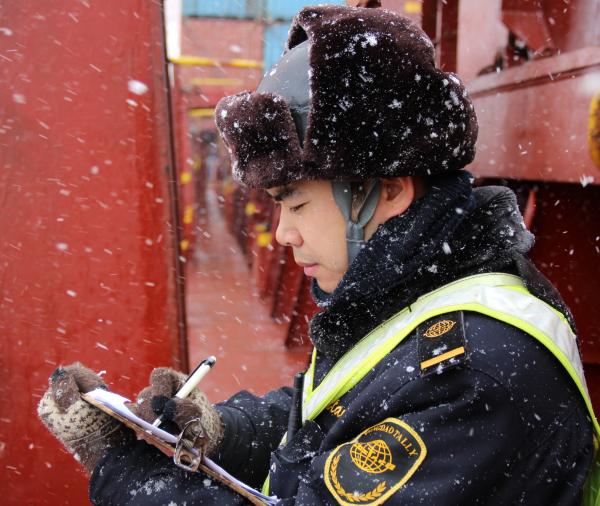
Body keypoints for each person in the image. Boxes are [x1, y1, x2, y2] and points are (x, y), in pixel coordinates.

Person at [38, 5, 599, 505]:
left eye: (297, 204)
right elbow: (332, 414)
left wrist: (120, 471)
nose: (282, 234)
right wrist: (223, 431)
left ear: (388, 190)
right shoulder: (419, 288)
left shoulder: (472, 375)